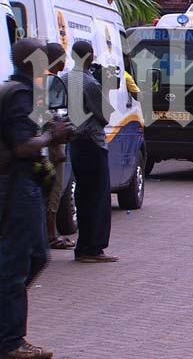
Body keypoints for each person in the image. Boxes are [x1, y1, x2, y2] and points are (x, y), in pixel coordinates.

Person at [0, 38, 75, 359]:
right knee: (17, 263)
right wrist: (52, 135)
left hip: (25, 184)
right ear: (31, 61)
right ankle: (11, 342)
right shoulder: (19, 94)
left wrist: (50, 129)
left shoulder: (24, 91)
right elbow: (21, 146)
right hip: (18, 185)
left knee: (35, 257)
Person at [62, 41, 118, 263]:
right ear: (89, 57)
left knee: (82, 195)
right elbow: (104, 115)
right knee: (97, 197)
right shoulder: (89, 83)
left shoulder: (64, 79)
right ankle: (92, 248)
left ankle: (83, 246)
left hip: (74, 142)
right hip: (92, 143)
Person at [44, 42, 75, 250]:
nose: (65, 62)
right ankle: (50, 236)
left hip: (43, 149)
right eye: (62, 57)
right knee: (54, 193)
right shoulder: (50, 82)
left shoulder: (35, 81)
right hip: (51, 150)